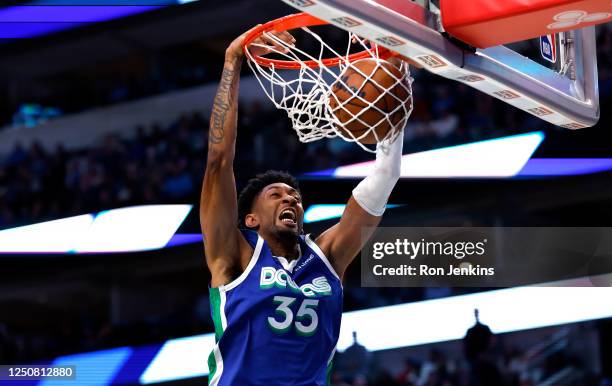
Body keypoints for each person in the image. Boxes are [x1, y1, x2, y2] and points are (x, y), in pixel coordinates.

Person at [200, 25, 409, 386]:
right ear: (250, 219)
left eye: (294, 196)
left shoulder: (326, 256)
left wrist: (395, 94)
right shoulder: (233, 258)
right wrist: (232, 60)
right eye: (276, 195)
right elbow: (219, 160)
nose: (290, 199)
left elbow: (385, 177)